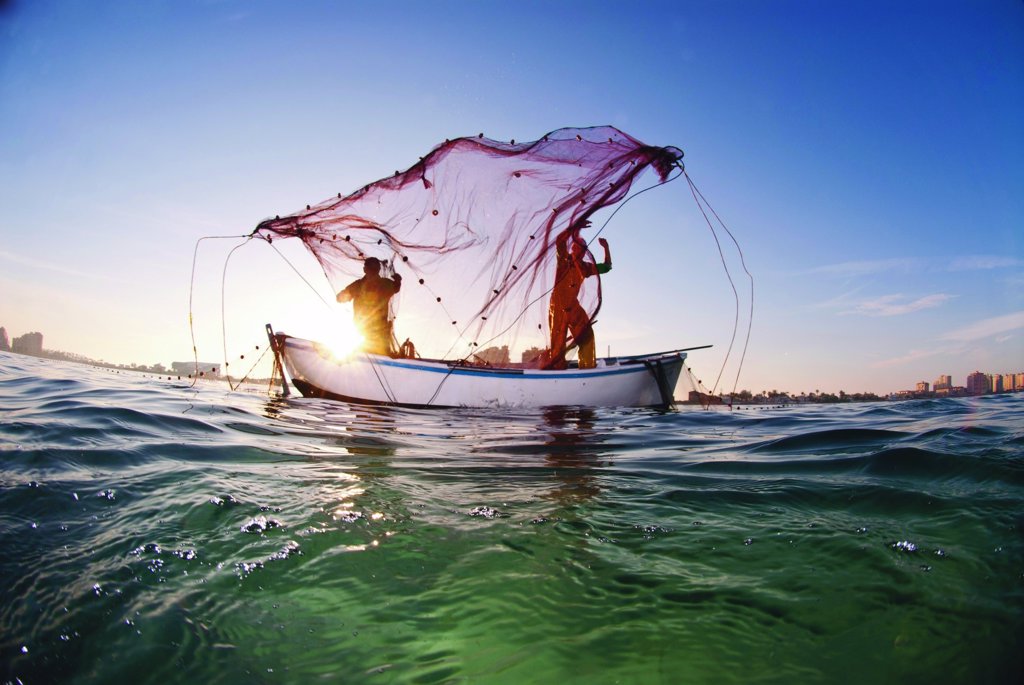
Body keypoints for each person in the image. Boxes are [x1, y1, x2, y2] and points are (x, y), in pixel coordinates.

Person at [547, 226, 611, 370]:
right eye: (576, 248)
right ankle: (556, 372)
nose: (578, 251)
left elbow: (606, 267)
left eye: (582, 249)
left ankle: (587, 368)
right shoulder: (564, 261)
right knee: (557, 344)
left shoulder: (584, 267)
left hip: (573, 307)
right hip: (557, 307)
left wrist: (606, 248)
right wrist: (575, 226)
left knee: (587, 335)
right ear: (572, 249)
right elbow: (560, 241)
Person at [336, 257, 402, 355]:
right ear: (379, 269)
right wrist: (398, 279)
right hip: (378, 334)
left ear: (365, 269)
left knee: (363, 356)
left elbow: (340, 298)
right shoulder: (386, 284)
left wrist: (343, 295)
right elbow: (396, 288)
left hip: (364, 332)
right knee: (380, 356)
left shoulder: (358, 285)